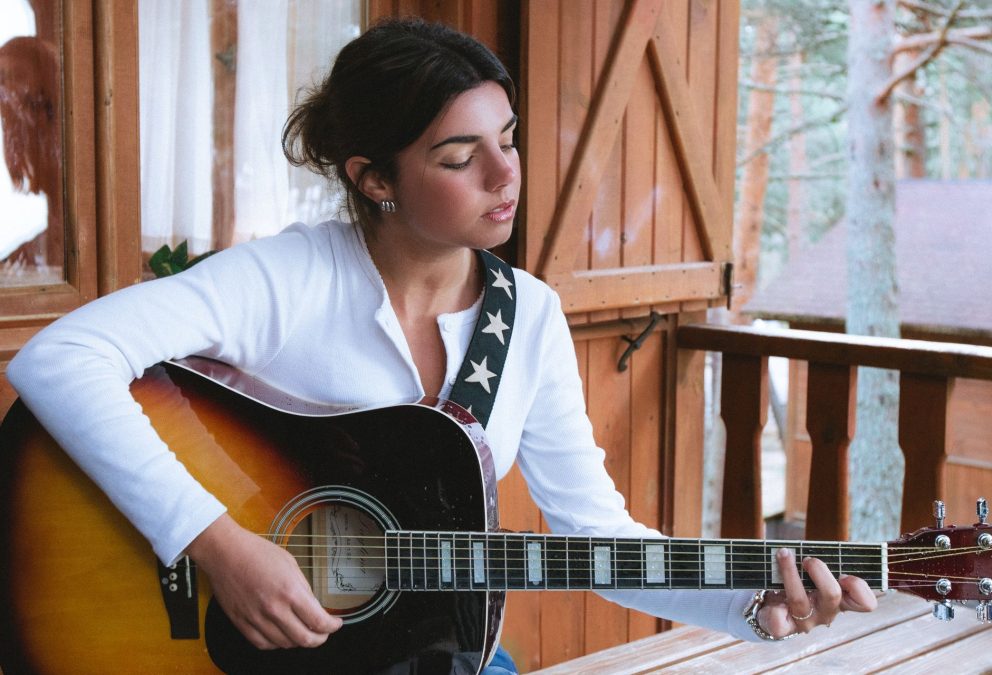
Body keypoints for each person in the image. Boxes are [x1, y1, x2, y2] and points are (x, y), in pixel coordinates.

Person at [7, 17, 875, 672]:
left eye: (509, 140)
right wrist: (218, 544)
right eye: (461, 157)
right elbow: (58, 359)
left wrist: (753, 599)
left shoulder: (526, 316)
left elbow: (596, 537)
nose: (506, 177)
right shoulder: (284, 280)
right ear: (374, 178)